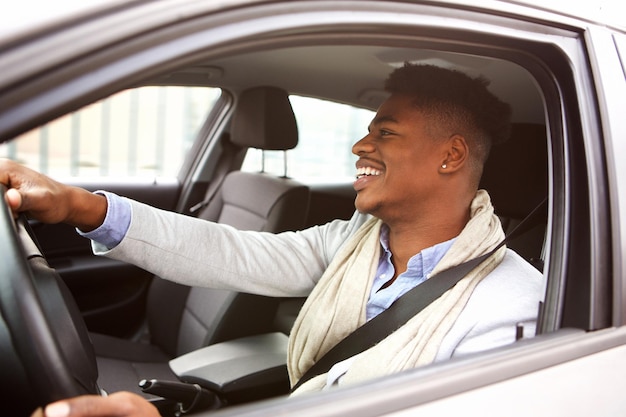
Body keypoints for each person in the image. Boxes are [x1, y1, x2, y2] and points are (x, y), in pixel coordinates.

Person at [1, 64, 544, 417]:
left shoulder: (509, 310)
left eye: (385, 132)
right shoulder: (355, 241)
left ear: (449, 156)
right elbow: (230, 252)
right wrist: (81, 205)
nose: (360, 144)